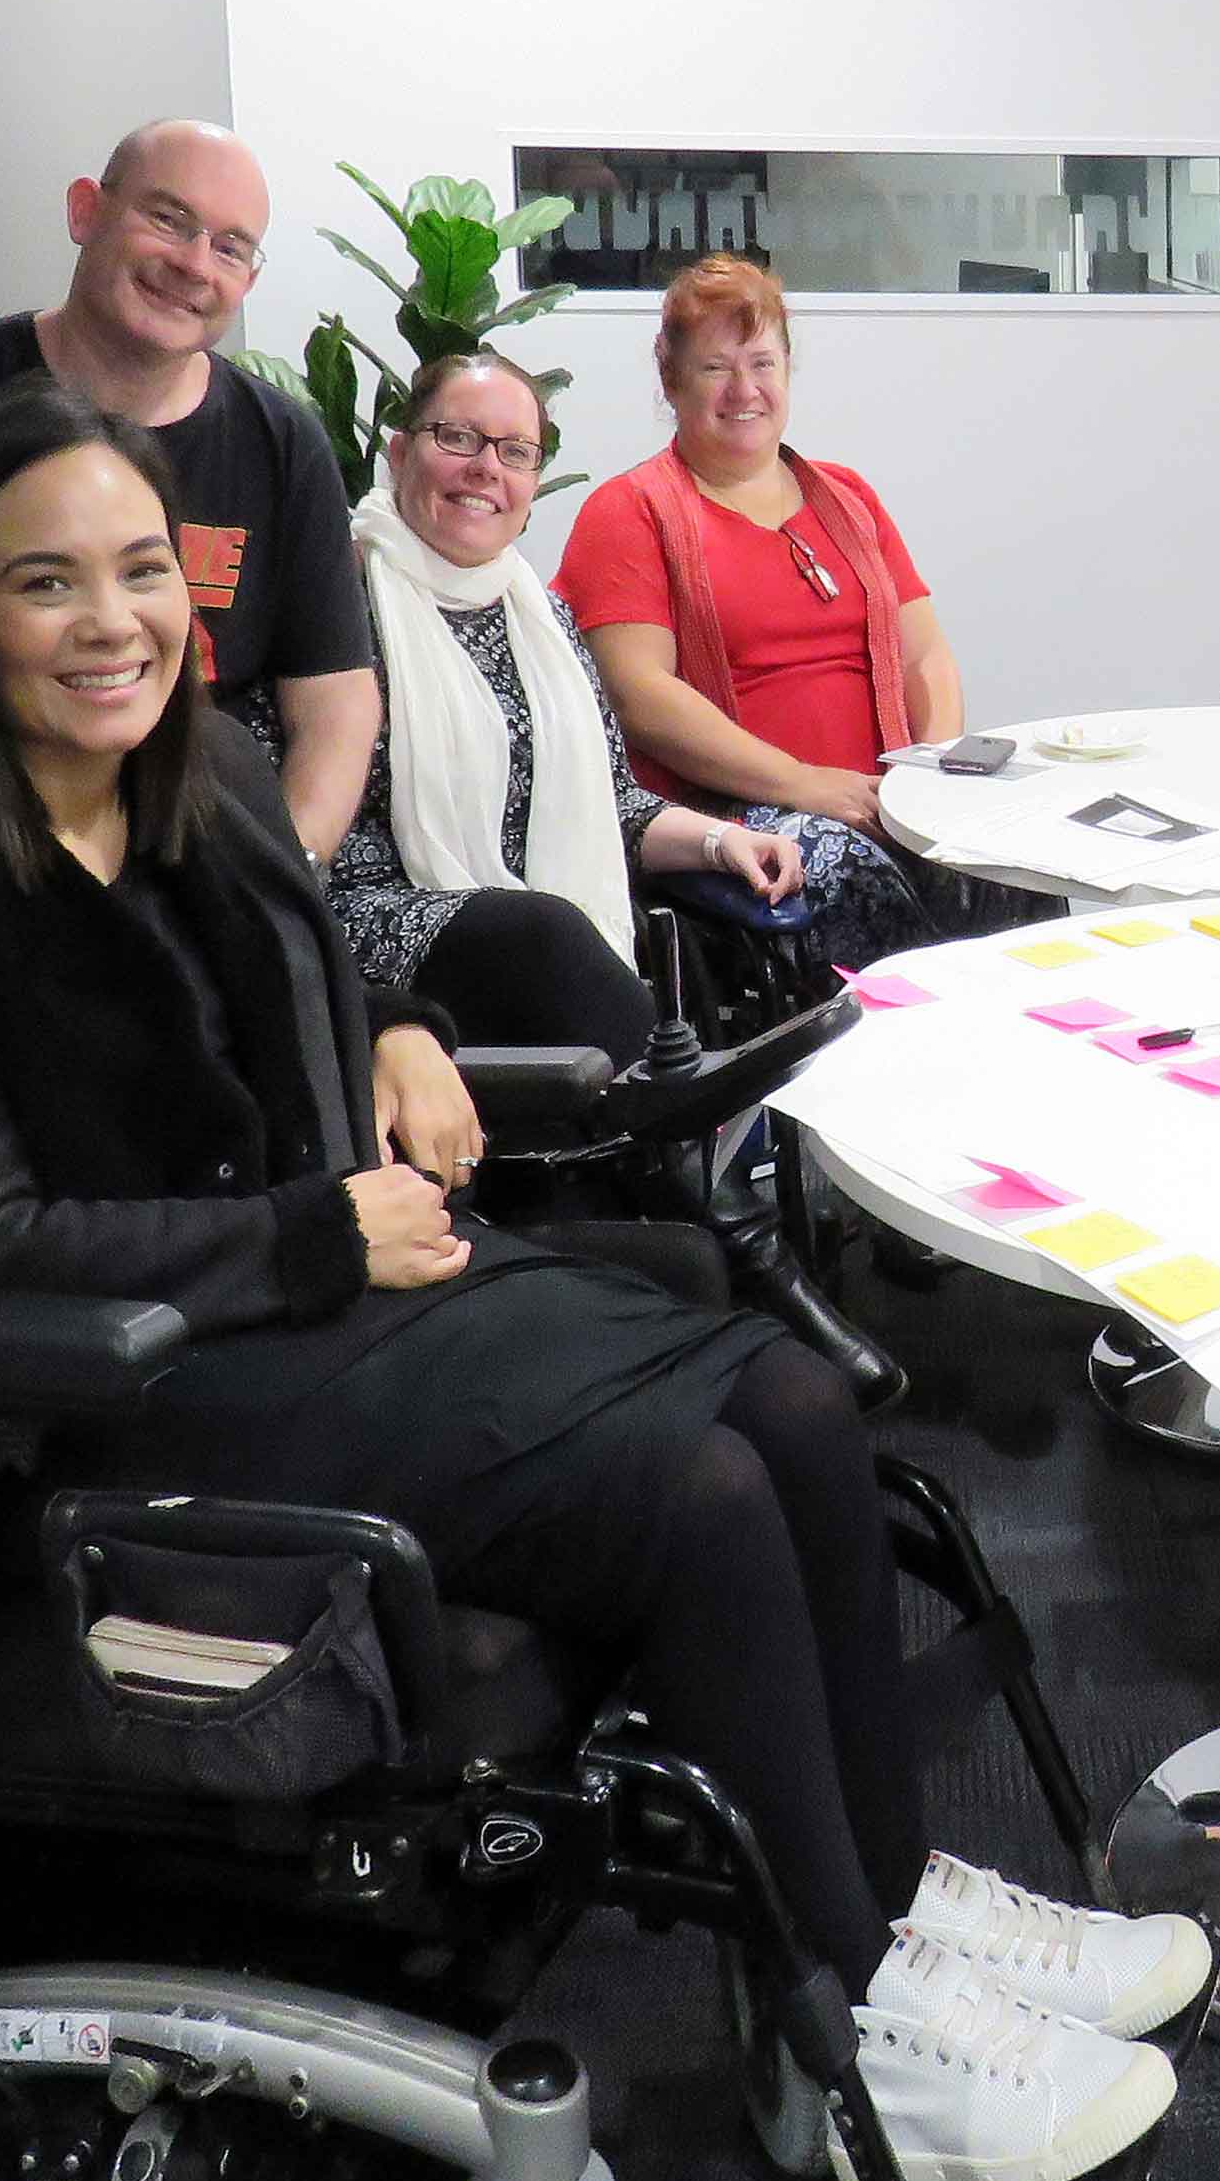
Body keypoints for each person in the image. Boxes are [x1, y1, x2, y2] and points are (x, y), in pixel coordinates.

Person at [0, 379, 1202, 2181]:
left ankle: (889, 1910)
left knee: (801, 1399)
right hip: (93, 1397)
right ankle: (846, 2038)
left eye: (137, 572)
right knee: (702, 1488)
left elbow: (312, 991)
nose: (109, 622)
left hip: (284, 1305)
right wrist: (314, 1238)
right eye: (45, 584)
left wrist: (407, 1030)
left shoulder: (197, 786)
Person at [332, 349, 903, 1409]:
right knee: (537, 930)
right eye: (457, 439)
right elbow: (317, 856)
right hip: (374, 937)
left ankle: (695, 1180)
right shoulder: (339, 612)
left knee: (551, 926)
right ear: (402, 451)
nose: (482, 470)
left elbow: (613, 806)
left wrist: (716, 841)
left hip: (538, 944)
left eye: (512, 451)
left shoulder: (537, 616)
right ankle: (732, 1214)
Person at [0, 119, 380, 862]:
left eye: (230, 246)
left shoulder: (285, 442)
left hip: (199, 870)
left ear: (249, 280)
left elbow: (337, 705)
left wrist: (280, 886)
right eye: (168, 219)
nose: (195, 264)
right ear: (85, 211)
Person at [558, 256, 962, 972]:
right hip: (735, 820)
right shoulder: (629, 511)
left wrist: (931, 776)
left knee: (1009, 863)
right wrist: (808, 784)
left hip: (882, 794)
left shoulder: (849, 497)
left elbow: (925, 654)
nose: (745, 390)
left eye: (762, 362)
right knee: (847, 870)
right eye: (716, 367)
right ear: (671, 381)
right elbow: (641, 697)